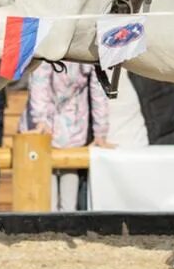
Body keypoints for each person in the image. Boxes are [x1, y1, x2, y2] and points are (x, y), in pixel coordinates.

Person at [20, 61, 111, 211]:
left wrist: (100, 132)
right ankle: (47, 228)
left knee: (69, 188)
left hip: (73, 126)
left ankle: (66, 227)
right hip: (42, 128)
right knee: (46, 197)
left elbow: (99, 90)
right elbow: (39, 82)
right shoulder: (49, 47)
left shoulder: (91, 55)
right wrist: (40, 120)